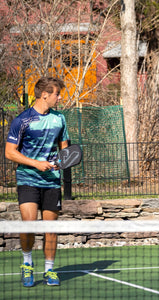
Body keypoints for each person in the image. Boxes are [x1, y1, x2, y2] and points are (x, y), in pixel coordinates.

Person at [5, 77, 69, 287]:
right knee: (29, 224)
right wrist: (35, 163)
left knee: (51, 228)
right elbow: (10, 153)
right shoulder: (22, 120)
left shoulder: (60, 119)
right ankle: (27, 264)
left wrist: (60, 162)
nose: (59, 98)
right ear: (45, 95)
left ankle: (49, 270)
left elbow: (65, 150)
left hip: (51, 182)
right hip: (28, 179)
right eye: (56, 94)